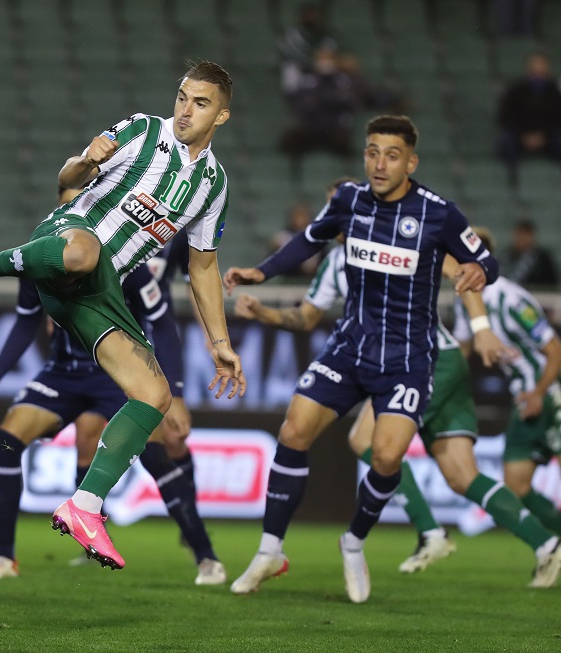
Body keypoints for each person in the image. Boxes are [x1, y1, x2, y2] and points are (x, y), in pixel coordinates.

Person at [0, 61, 246, 570]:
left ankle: (85, 506)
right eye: (182, 96)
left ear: (221, 116)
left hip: (97, 291)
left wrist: (219, 341)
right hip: (68, 238)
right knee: (83, 252)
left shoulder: (213, 185)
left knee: (154, 394)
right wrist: (85, 160)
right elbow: (67, 179)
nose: (185, 109)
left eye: (199, 103)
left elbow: (202, 267)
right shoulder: (142, 131)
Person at [223, 115, 514, 603]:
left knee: (385, 455)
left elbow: (487, 260)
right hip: (350, 346)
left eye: (392, 155)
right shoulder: (348, 200)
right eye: (372, 152)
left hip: (407, 357)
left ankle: (354, 540)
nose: (380, 163)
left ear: (411, 162)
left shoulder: (437, 213)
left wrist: (477, 272)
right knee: (293, 431)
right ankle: (270, 549)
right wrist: (261, 272)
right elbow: (309, 239)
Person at [235, 181, 560, 583]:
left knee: (365, 441)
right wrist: (263, 313)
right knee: (461, 474)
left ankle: (427, 532)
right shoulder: (335, 261)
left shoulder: (397, 236)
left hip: (423, 361)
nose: (334, 215)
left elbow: (463, 271)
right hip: (448, 358)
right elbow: (305, 317)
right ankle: (547, 545)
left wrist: (481, 327)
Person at [0, 192, 225, 585]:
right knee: (5, 440)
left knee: (155, 454)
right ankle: (6, 557)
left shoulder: (127, 264)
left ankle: (205, 556)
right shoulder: (38, 258)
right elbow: (24, 322)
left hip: (115, 374)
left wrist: (175, 393)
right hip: (64, 373)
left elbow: (165, 326)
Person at [454, 228, 561, 545]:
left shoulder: (511, 300)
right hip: (523, 400)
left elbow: (554, 349)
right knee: (515, 484)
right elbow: (462, 351)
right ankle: (553, 547)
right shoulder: (465, 301)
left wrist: (540, 393)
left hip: (549, 395)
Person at [496, 51, 561, 186]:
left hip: (548, 136)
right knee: (506, 142)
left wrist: (543, 136)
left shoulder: (554, 91)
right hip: (521, 135)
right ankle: (510, 181)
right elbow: (506, 116)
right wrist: (524, 135)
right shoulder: (516, 90)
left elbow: (557, 118)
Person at [277, 1, 339, 95]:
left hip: (316, 74)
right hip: (298, 70)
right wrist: (314, 60)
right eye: (309, 15)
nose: (312, 18)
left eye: (314, 15)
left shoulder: (326, 37)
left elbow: (329, 55)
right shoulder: (293, 35)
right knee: (290, 73)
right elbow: (287, 53)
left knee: (328, 68)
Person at [267, 200, 323, 278]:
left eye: (303, 215)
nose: (300, 219)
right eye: (298, 215)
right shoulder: (283, 236)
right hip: (289, 282)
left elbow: (315, 266)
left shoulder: (317, 237)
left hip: (311, 281)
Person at [503, 218, 559, 288]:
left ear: (532, 236)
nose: (522, 238)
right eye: (519, 234)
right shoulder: (506, 257)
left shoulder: (543, 259)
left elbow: (552, 284)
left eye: (525, 234)